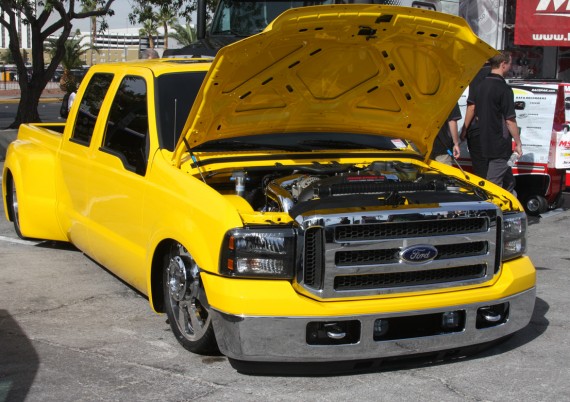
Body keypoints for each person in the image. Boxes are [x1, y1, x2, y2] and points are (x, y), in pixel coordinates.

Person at [474, 50, 522, 195]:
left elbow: (477, 114)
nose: (511, 67)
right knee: (493, 185)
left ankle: (512, 206)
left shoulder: (480, 86)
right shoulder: (503, 88)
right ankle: (492, 208)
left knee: (508, 182)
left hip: (484, 140)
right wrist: (518, 143)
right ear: (503, 64)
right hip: (499, 144)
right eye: (510, 63)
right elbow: (510, 120)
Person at [460, 62, 491, 179]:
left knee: (481, 169)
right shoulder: (497, 75)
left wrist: (464, 129)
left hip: (478, 129)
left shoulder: (478, 74)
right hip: (495, 129)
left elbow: (472, 106)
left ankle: (483, 189)